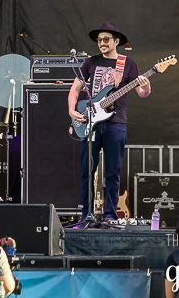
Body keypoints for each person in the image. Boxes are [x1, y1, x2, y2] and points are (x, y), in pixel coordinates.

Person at [67, 21, 151, 222]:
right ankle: (86, 215)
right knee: (88, 171)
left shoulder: (128, 63)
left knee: (113, 171)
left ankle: (110, 215)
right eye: (99, 40)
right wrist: (71, 110)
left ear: (116, 41)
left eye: (106, 40)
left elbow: (142, 93)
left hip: (116, 123)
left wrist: (146, 87)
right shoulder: (91, 62)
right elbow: (75, 88)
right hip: (91, 121)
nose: (102, 43)